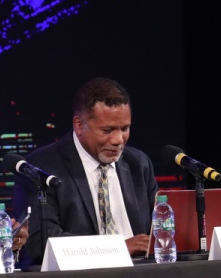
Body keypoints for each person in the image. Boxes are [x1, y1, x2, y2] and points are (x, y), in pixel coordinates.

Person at [12, 78, 158, 268]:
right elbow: (42, 242)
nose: (118, 140)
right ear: (79, 125)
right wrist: (118, 248)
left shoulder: (138, 163)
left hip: (142, 273)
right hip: (79, 277)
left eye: (124, 128)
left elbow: (160, 227)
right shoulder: (40, 168)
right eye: (107, 130)